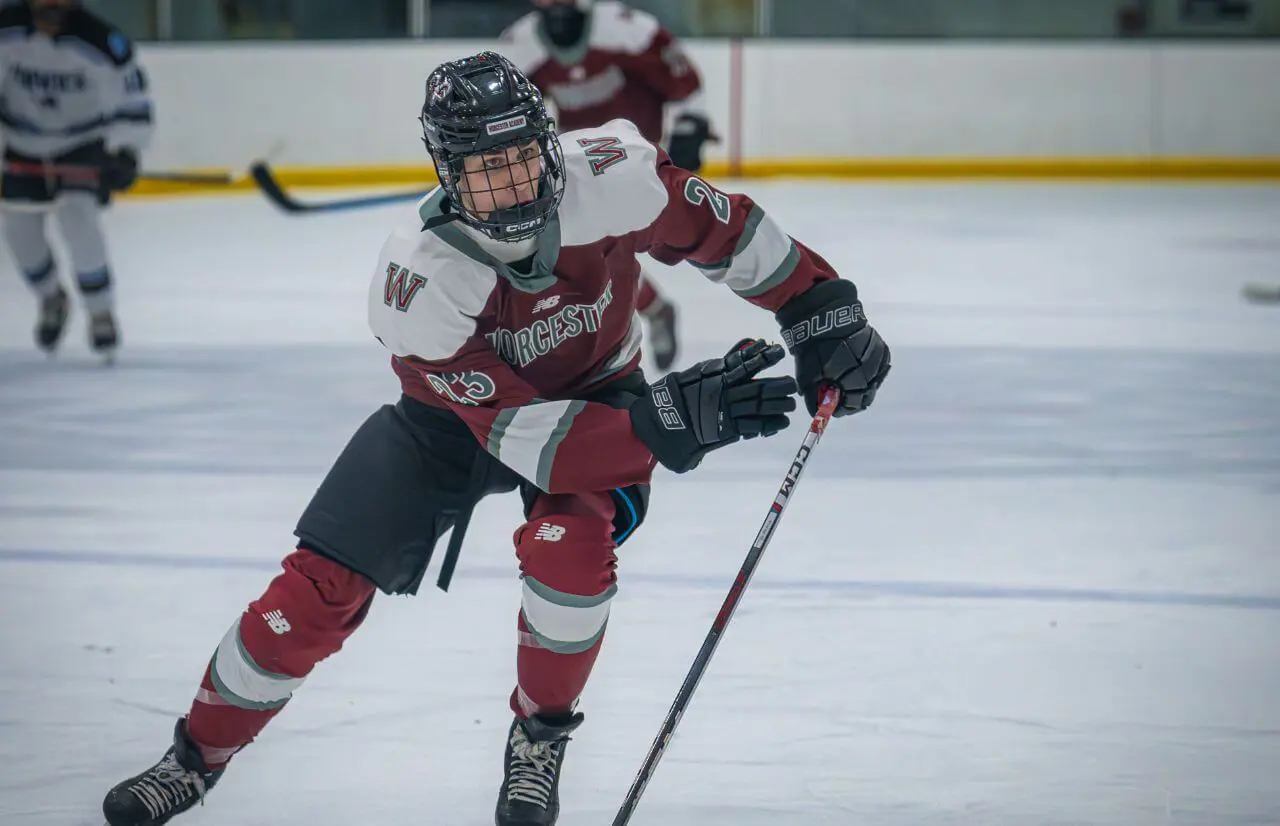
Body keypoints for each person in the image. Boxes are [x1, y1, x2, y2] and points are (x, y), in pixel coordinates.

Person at [100, 52, 890, 826]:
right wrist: (669, 424)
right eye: (483, 170)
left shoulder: (616, 174)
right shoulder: (420, 285)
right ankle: (193, 757)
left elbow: (726, 231)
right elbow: (530, 438)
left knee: (568, 553)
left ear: (549, 142)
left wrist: (818, 305)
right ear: (448, 175)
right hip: (452, 424)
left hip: (595, 388)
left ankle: (539, 735)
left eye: (520, 157)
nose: (510, 184)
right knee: (315, 590)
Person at [501, 0, 717, 371]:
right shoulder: (520, 45)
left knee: (601, 249)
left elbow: (683, 80)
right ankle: (647, 316)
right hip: (574, 160)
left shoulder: (624, 28)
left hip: (635, 158)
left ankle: (647, 315)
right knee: (582, 250)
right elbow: (504, 114)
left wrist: (690, 123)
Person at [0, 0, 151, 360]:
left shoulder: (103, 42)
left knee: (78, 216)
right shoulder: (6, 30)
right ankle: (51, 297)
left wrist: (127, 151)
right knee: (20, 227)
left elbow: (133, 100)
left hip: (81, 143)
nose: (50, 7)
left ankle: (101, 312)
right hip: (21, 143)